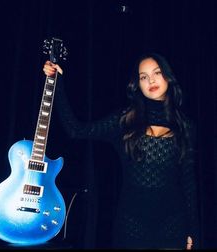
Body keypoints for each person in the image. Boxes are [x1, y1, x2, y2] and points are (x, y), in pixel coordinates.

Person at [43, 52, 200, 249]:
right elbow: (76, 130)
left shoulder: (186, 126)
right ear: (138, 85)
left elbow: (188, 182)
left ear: (168, 76)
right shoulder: (124, 121)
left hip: (173, 224)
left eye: (157, 73)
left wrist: (193, 230)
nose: (151, 80)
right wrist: (56, 82)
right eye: (143, 77)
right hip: (131, 224)